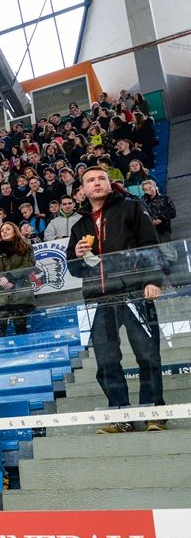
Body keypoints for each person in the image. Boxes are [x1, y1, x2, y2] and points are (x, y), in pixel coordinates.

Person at [67, 166, 167, 432]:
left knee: (147, 354)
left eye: (102, 178)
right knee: (106, 361)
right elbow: (74, 269)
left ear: (110, 184)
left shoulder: (132, 208)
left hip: (134, 291)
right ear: (83, 190)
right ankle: (120, 415)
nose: (97, 183)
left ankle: (154, 412)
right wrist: (76, 255)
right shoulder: (79, 226)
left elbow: (149, 243)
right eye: (90, 180)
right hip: (99, 300)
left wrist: (152, 280)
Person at [0, 221, 36, 335]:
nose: (4, 232)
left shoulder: (26, 247)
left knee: (21, 328)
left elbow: (28, 266)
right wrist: (0, 280)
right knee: (1, 330)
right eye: (2, 230)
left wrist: (10, 278)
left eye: (8, 229)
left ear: (15, 231)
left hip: (20, 294)